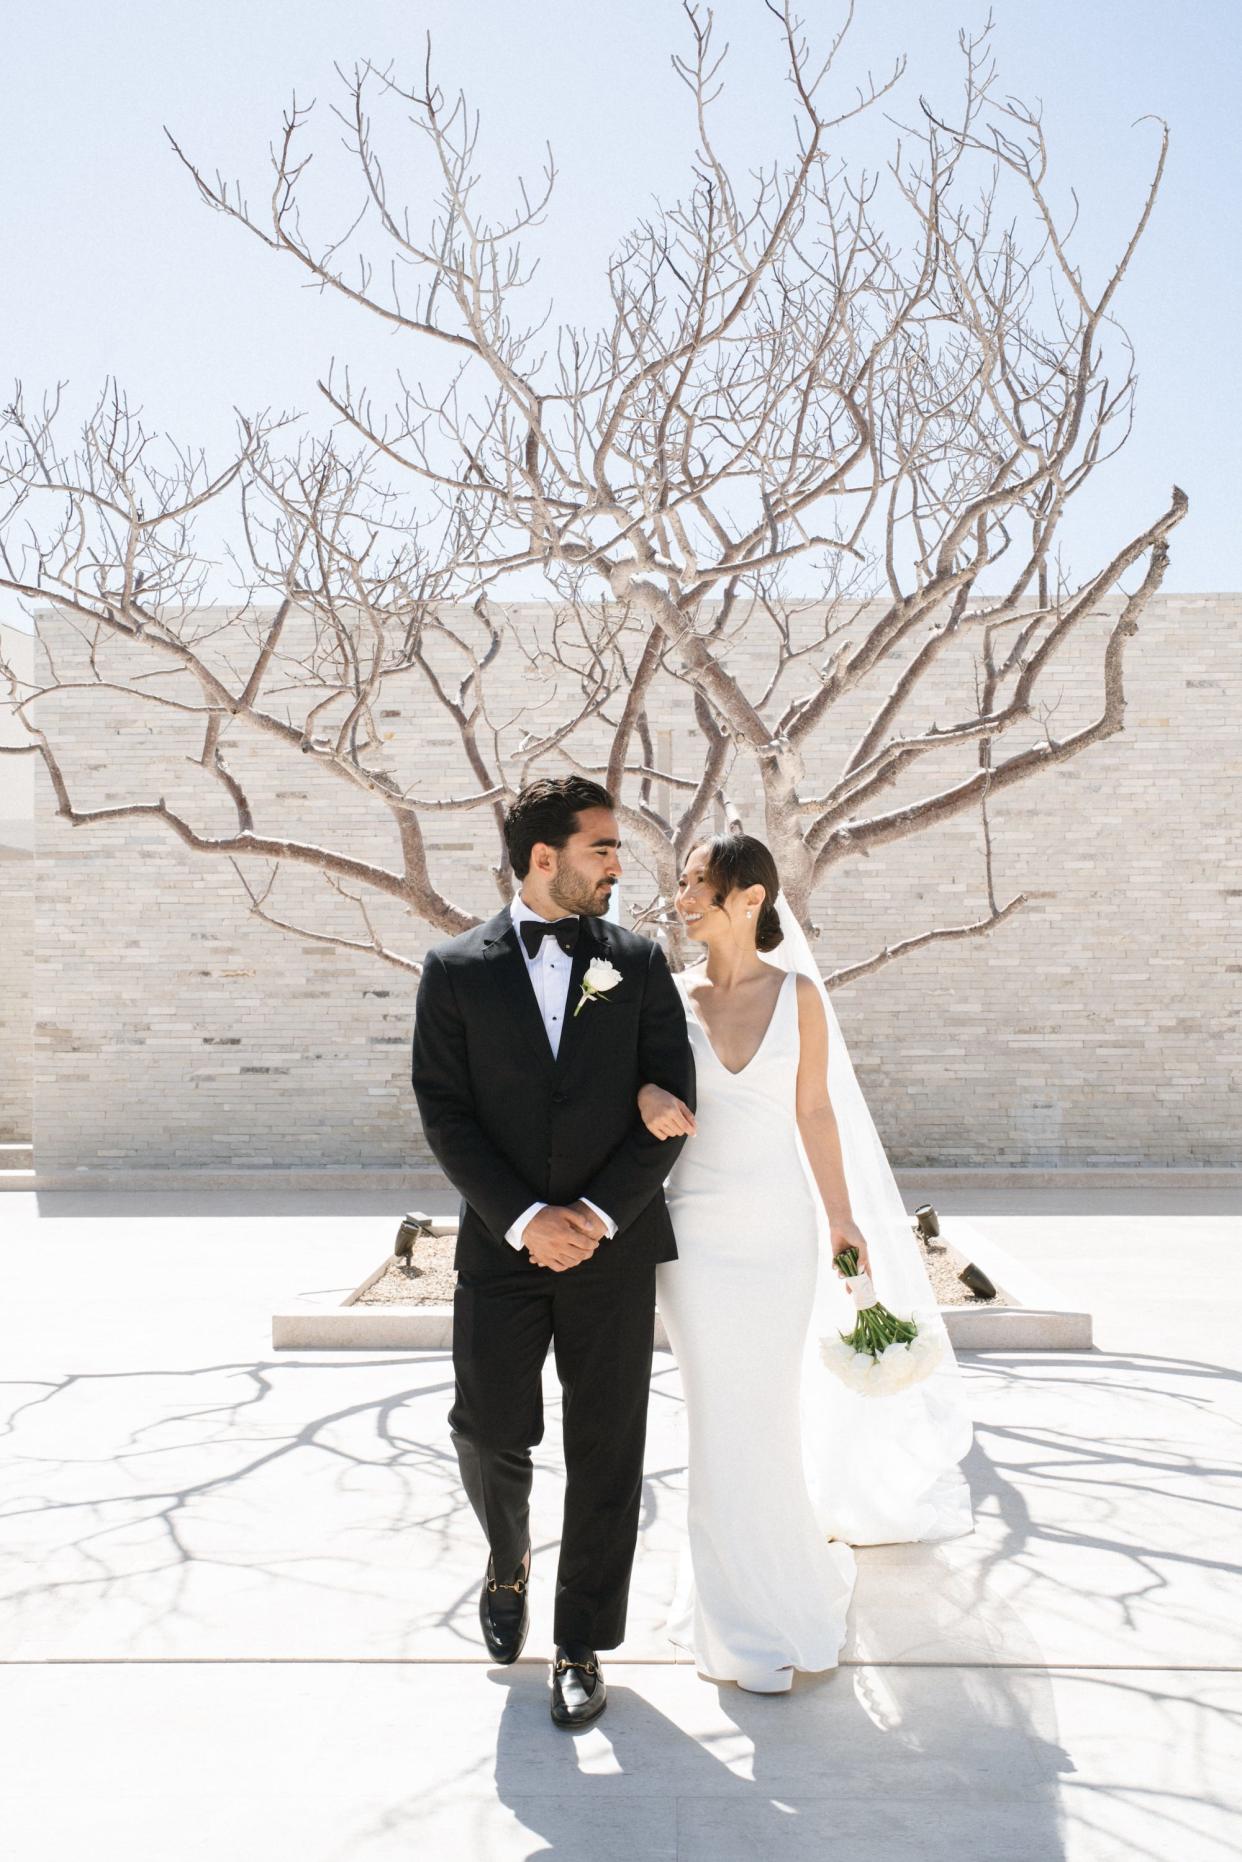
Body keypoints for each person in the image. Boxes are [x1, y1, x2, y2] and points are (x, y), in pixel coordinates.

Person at [639, 833, 972, 1693]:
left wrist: (841, 1217)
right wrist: (644, 1094)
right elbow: (626, 1094)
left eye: (695, 884)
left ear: (748, 898)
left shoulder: (800, 999)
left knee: (764, 1418)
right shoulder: (664, 997)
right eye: (679, 883)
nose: (680, 896)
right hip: (695, 1241)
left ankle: (783, 1589)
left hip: (779, 1236)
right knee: (715, 1420)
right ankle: (733, 1619)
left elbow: (816, 1112)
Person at [410, 776, 694, 1728]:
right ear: (545, 857)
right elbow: (444, 1112)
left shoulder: (639, 962)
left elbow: (671, 1103)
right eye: (603, 847)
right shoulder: (453, 970)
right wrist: (525, 1216)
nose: (619, 863)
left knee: (608, 1447)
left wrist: (600, 1219)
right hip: (502, 1244)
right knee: (489, 1427)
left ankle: (580, 1643)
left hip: (612, 1249)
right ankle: (507, 1556)